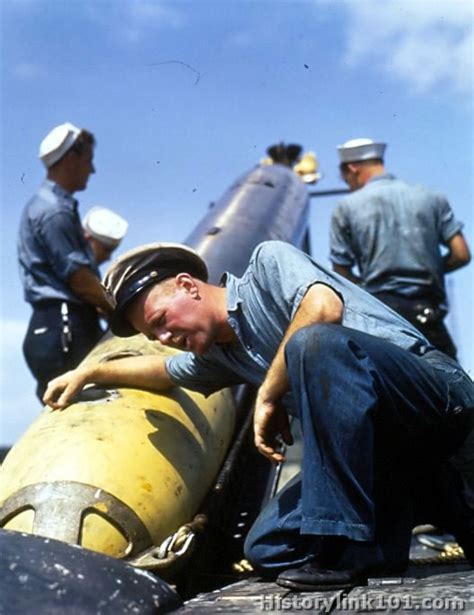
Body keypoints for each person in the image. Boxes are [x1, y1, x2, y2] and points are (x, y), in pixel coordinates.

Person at [43, 241, 474, 591]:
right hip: (384, 458)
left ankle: (346, 545)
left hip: (437, 406)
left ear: (188, 286)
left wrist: (268, 392)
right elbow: (160, 371)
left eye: (161, 320)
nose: (163, 338)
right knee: (268, 545)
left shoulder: (267, 265)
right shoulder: (219, 355)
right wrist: (89, 371)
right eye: (152, 334)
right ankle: (409, 511)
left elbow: (323, 309)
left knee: (316, 344)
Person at [330, 138, 471, 359]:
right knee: (449, 386)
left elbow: (341, 272)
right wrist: (428, 269)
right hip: (429, 316)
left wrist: (365, 285)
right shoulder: (431, 197)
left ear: (352, 168)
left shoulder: (346, 207)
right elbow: (461, 254)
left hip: (380, 317)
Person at [18, 122, 114, 402]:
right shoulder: (54, 212)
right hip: (66, 327)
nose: (92, 170)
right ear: (72, 158)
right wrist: (118, 311)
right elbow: (80, 281)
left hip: (55, 327)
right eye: (89, 160)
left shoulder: (50, 207)